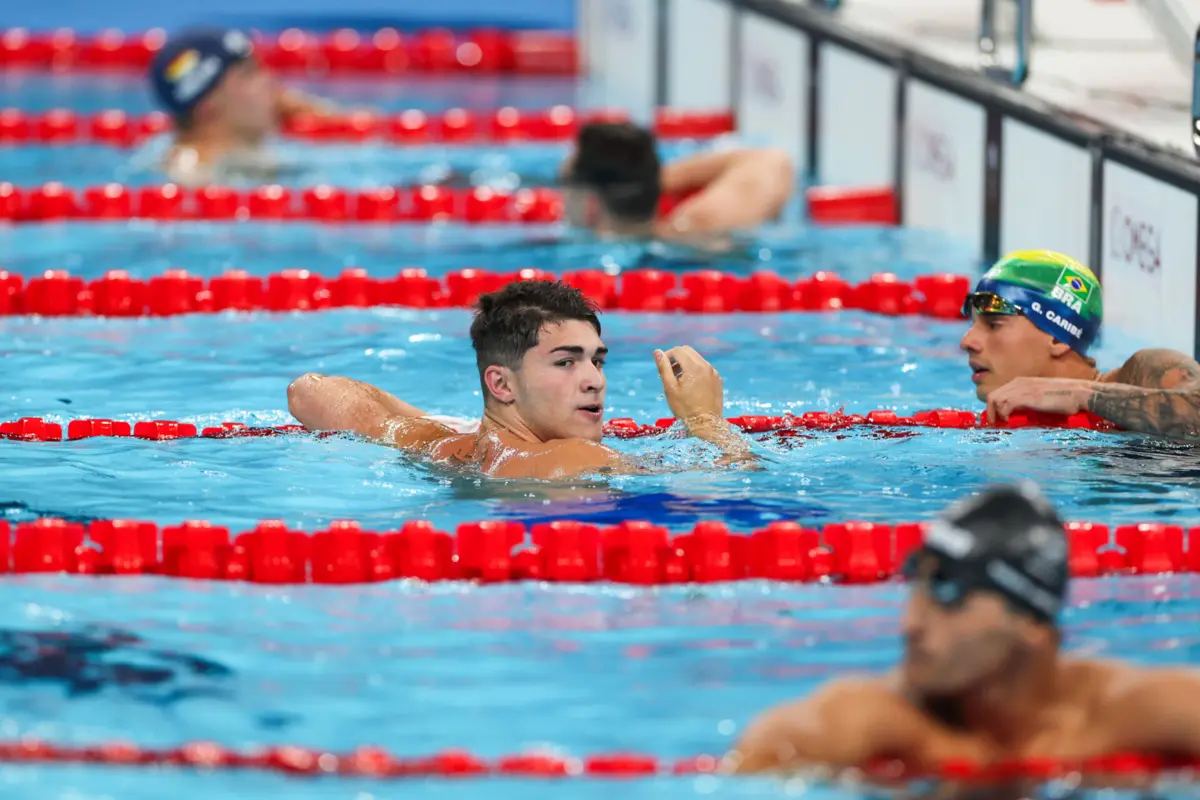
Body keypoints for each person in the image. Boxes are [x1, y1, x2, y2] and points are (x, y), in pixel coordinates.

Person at [726, 481, 1200, 779]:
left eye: (950, 594)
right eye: (919, 585)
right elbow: (768, 750)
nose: (911, 622)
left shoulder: (1125, 713)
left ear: (1031, 622)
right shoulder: (885, 720)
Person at [286, 279, 755, 479]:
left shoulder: (437, 445)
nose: (594, 380)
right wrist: (705, 419)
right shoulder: (577, 457)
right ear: (501, 385)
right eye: (566, 362)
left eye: (597, 361)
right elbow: (731, 482)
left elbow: (309, 391)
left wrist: (453, 425)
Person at [962, 249, 1200, 438]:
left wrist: (1078, 394)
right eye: (973, 324)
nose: (967, 341)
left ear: (1056, 337)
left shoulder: (1141, 373)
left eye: (994, 325)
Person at [147, 27, 336, 186]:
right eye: (249, 74)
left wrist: (322, 113)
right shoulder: (193, 172)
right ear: (207, 107)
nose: (270, 80)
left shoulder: (244, 155)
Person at [559, 120, 795, 242]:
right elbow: (772, 160)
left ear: (590, 205)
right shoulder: (694, 230)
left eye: (564, 183)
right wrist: (644, 178)